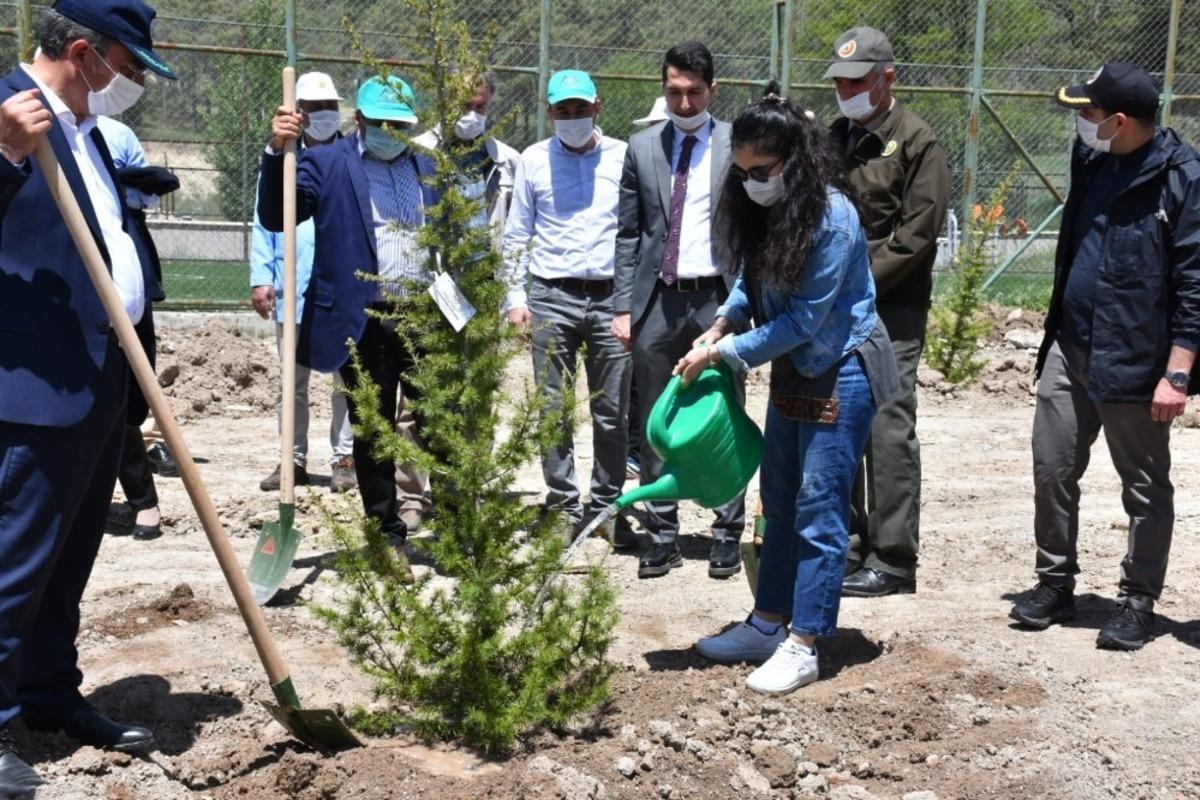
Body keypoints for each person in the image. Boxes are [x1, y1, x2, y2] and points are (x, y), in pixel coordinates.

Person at [0, 0, 176, 790]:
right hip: (34, 383)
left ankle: (47, 696)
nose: (133, 82)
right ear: (82, 50)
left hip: (105, 374)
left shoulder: (87, 130)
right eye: (129, 66)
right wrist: (4, 157)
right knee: (14, 560)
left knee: (69, 560)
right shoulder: (9, 116)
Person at [684, 85, 898, 695]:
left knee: (819, 506)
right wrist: (721, 324)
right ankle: (767, 621)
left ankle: (806, 641)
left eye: (764, 171)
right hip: (794, 366)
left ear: (795, 162)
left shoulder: (832, 216)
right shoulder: (765, 209)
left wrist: (721, 355)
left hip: (842, 367)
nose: (752, 182)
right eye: (744, 171)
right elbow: (752, 287)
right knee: (777, 499)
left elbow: (805, 319)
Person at [1009, 62, 1200, 651]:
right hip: (1072, 345)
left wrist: (1177, 372)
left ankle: (1137, 600)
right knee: (1052, 467)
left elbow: (1195, 282)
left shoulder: (1184, 178)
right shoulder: (1093, 160)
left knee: (1143, 487)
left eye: (1087, 114)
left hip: (1139, 362)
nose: (1079, 123)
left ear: (1119, 121)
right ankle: (1054, 582)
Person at [258, 75, 438, 551]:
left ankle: (457, 528)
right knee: (375, 429)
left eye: (398, 124)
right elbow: (278, 214)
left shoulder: (427, 165)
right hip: (366, 319)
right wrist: (278, 152)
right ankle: (387, 534)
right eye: (378, 122)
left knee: (439, 420)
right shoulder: (325, 162)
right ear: (358, 120)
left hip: (423, 314)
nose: (388, 131)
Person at [824, 26, 950, 598]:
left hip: (890, 309)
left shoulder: (919, 142)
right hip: (833, 309)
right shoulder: (834, 139)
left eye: (857, 82)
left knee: (887, 426)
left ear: (887, 78)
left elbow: (916, 236)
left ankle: (894, 558)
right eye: (840, 82)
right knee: (838, 421)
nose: (846, 91)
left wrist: (850, 279)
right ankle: (847, 545)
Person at [614, 41, 747, 579]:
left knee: (723, 415)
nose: (684, 102)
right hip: (657, 302)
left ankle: (726, 531)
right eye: (674, 91)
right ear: (663, 89)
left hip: (718, 299)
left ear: (713, 90)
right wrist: (623, 307)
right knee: (656, 419)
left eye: (694, 91)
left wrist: (746, 304)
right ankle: (661, 534)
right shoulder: (641, 147)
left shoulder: (738, 143)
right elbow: (628, 233)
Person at [501, 69, 634, 545]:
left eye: (581, 109)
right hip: (551, 296)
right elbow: (517, 234)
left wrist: (631, 302)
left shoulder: (624, 157)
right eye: (564, 110)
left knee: (612, 411)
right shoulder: (534, 161)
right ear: (549, 112)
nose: (573, 118)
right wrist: (515, 298)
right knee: (552, 408)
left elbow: (635, 232)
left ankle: (607, 507)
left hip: (611, 299)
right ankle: (561, 504)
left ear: (598, 106)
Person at [249, 71, 356, 495]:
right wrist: (262, 277)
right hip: (292, 291)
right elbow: (263, 221)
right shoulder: (281, 160)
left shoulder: (351, 157)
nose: (324, 115)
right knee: (292, 382)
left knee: (346, 382)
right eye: (314, 109)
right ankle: (291, 458)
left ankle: (344, 458)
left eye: (330, 107)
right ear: (298, 114)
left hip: (340, 292)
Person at [97, 113, 180, 541]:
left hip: (127, 277)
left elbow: (152, 190)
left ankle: (143, 501)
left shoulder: (117, 134)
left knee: (128, 397)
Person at [413, 70, 520, 239]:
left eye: (480, 107)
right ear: (445, 101)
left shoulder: (507, 160)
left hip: (486, 262)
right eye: (464, 105)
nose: (471, 115)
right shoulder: (417, 153)